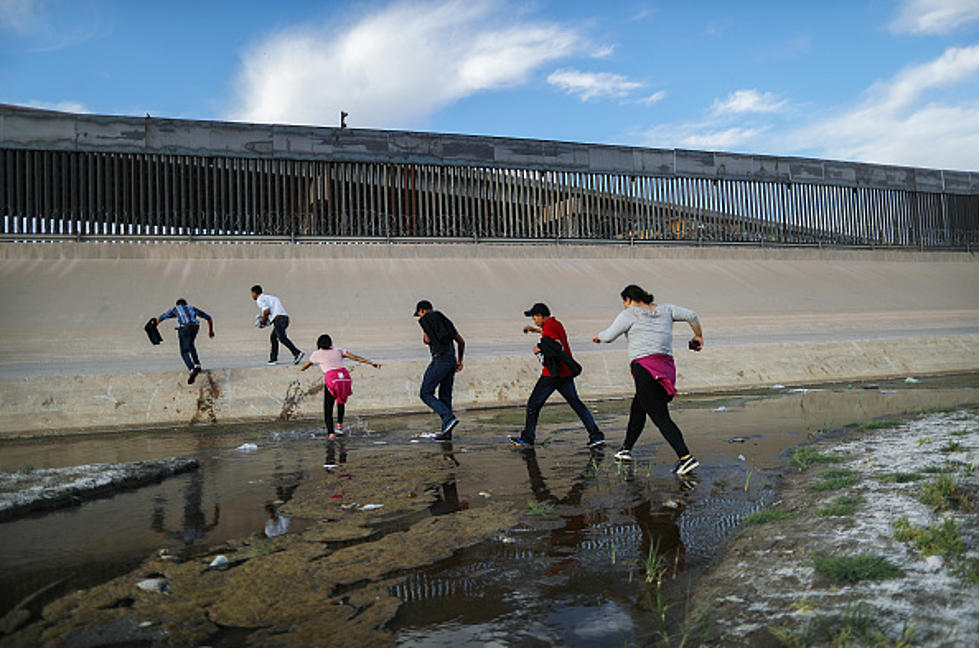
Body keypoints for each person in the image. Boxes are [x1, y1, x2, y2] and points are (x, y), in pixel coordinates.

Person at [592, 284, 703, 476]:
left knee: (660, 416)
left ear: (627, 300)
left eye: (624, 303)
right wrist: (698, 336)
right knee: (638, 407)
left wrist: (598, 337)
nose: (625, 306)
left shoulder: (630, 314)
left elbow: (609, 336)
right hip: (666, 368)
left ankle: (686, 458)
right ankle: (625, 449)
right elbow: (692, 315)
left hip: (645, 369)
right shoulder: (666, 309)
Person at [508, 303, 604, 449]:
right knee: (576, 404)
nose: (534, 320)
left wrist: (538, 349)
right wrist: (535, 330)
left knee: (533, 404)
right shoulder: (555, 323)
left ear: (541, 315)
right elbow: (552, 336)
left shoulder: (550, 328)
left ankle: (527, 438)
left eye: (535, 317)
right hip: (565, 372)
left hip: (552, 374)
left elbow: (555, 344)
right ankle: (596, 436)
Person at [299, 334, 380, 436]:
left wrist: (303, 368)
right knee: (340, 401)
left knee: (328, 409)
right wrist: (371, 363)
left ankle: (331, 434)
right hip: (344, 378)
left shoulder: (316, 354)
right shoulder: (338, 350)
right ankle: (340, 426)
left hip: (332, 379)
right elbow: (355, 357)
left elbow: (304, 367)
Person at [414, 300, 465, 441]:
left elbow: (427, 340)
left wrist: (426, 330)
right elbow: (461, 341)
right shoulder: (444, 321)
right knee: (445, 397)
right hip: (451, 360)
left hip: (439, 360)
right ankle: (446, 432)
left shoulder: (426, 320)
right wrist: (459, 360)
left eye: (419, 314)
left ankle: (448, 418)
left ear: (422, 311)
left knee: (425, 393)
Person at [152, 298, 214, 384]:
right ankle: (197, 365)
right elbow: (209, 317)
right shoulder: (192, 308)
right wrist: (211, 331)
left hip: (184, 327)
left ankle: (192, 369)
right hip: (195, 326)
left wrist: (155, 324)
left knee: (184, 352)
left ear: (177, 304)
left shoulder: (175, 309)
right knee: (191, 344)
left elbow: (163, 317)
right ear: (186, 304)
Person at [251, 285, 304, 366]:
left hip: (279, 319)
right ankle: (273, 359)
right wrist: (268, 320)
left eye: (252, 293)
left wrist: (262, 321)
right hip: (284, 318)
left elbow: (266, 311)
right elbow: (274, 312)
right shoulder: (272, 298)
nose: (252, 295)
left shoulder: (260, 299)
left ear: (255, 293)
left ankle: (297, 353)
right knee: (273, 337)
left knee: (282, 338)